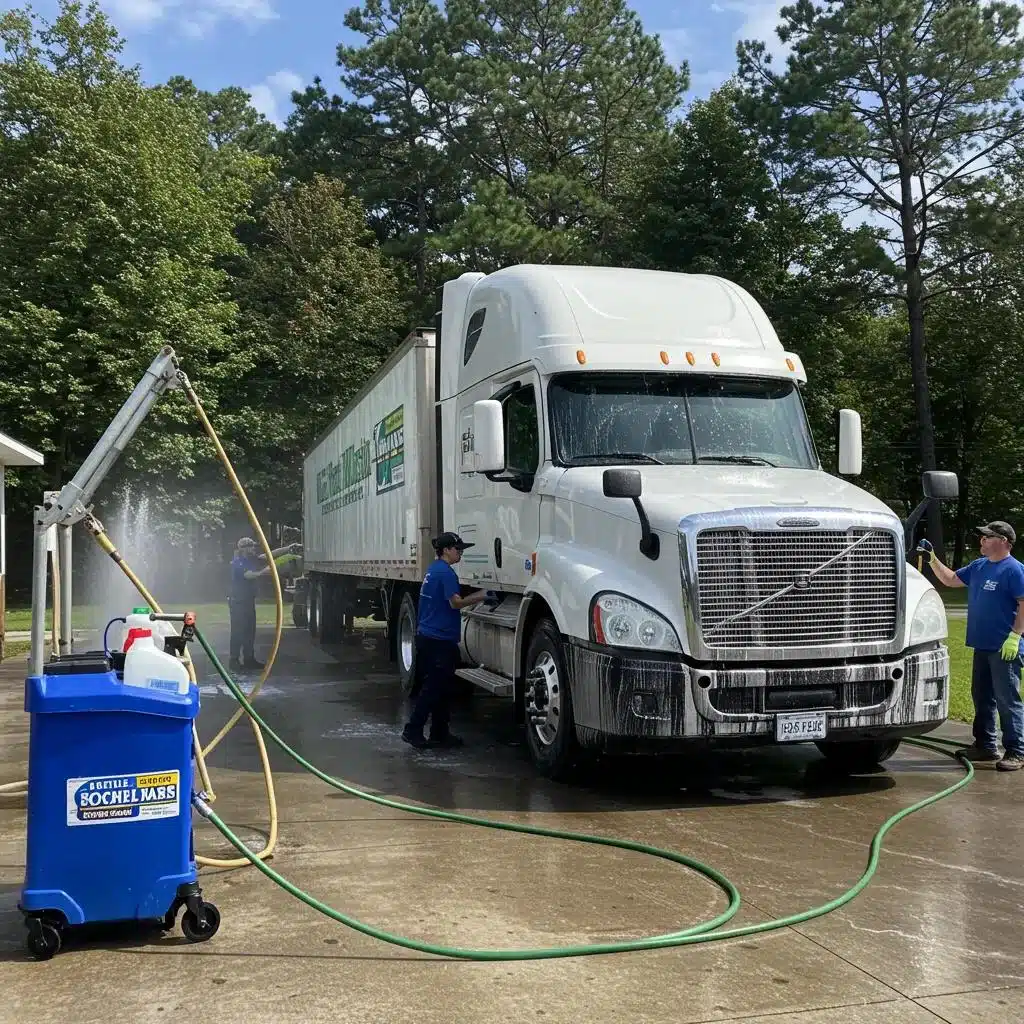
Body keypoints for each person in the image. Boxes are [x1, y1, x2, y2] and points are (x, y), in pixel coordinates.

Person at [919, 521, 1024, 771]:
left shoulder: (1014, 570)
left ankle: (1016, 751)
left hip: (1003, 647)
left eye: (988, 537)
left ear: (1004, 541)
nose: (982, 541)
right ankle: (986, 746)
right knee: (982, 697)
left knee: (1007, 700)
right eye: (982, 537)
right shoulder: (979, 566)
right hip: (982, 645)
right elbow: (950, 579)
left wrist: (1015, 636)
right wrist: (932, 558)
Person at [401, 532, 495, 749]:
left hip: (428, 637)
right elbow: (455, 603)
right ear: (445, 550)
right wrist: (482, 594)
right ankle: (413, 730)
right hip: (439, 640)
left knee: (442, 689)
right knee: (433, 689)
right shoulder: (446, 574)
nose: (460, 552)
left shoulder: (433, 570)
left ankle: (439, 733)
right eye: (457, 549)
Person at [229, 536, 301, 672]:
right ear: (243, 548)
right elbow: (248, 575)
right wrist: (263, 572)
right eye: (251, 546)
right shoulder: (237, 562)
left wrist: (288, 549)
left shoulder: (252, 559)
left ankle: (249, 659)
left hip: (248, 601)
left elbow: (269, 554)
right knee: (238, 631)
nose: (253, 549)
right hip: (238, 602)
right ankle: (234, 661)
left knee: (250, 631)